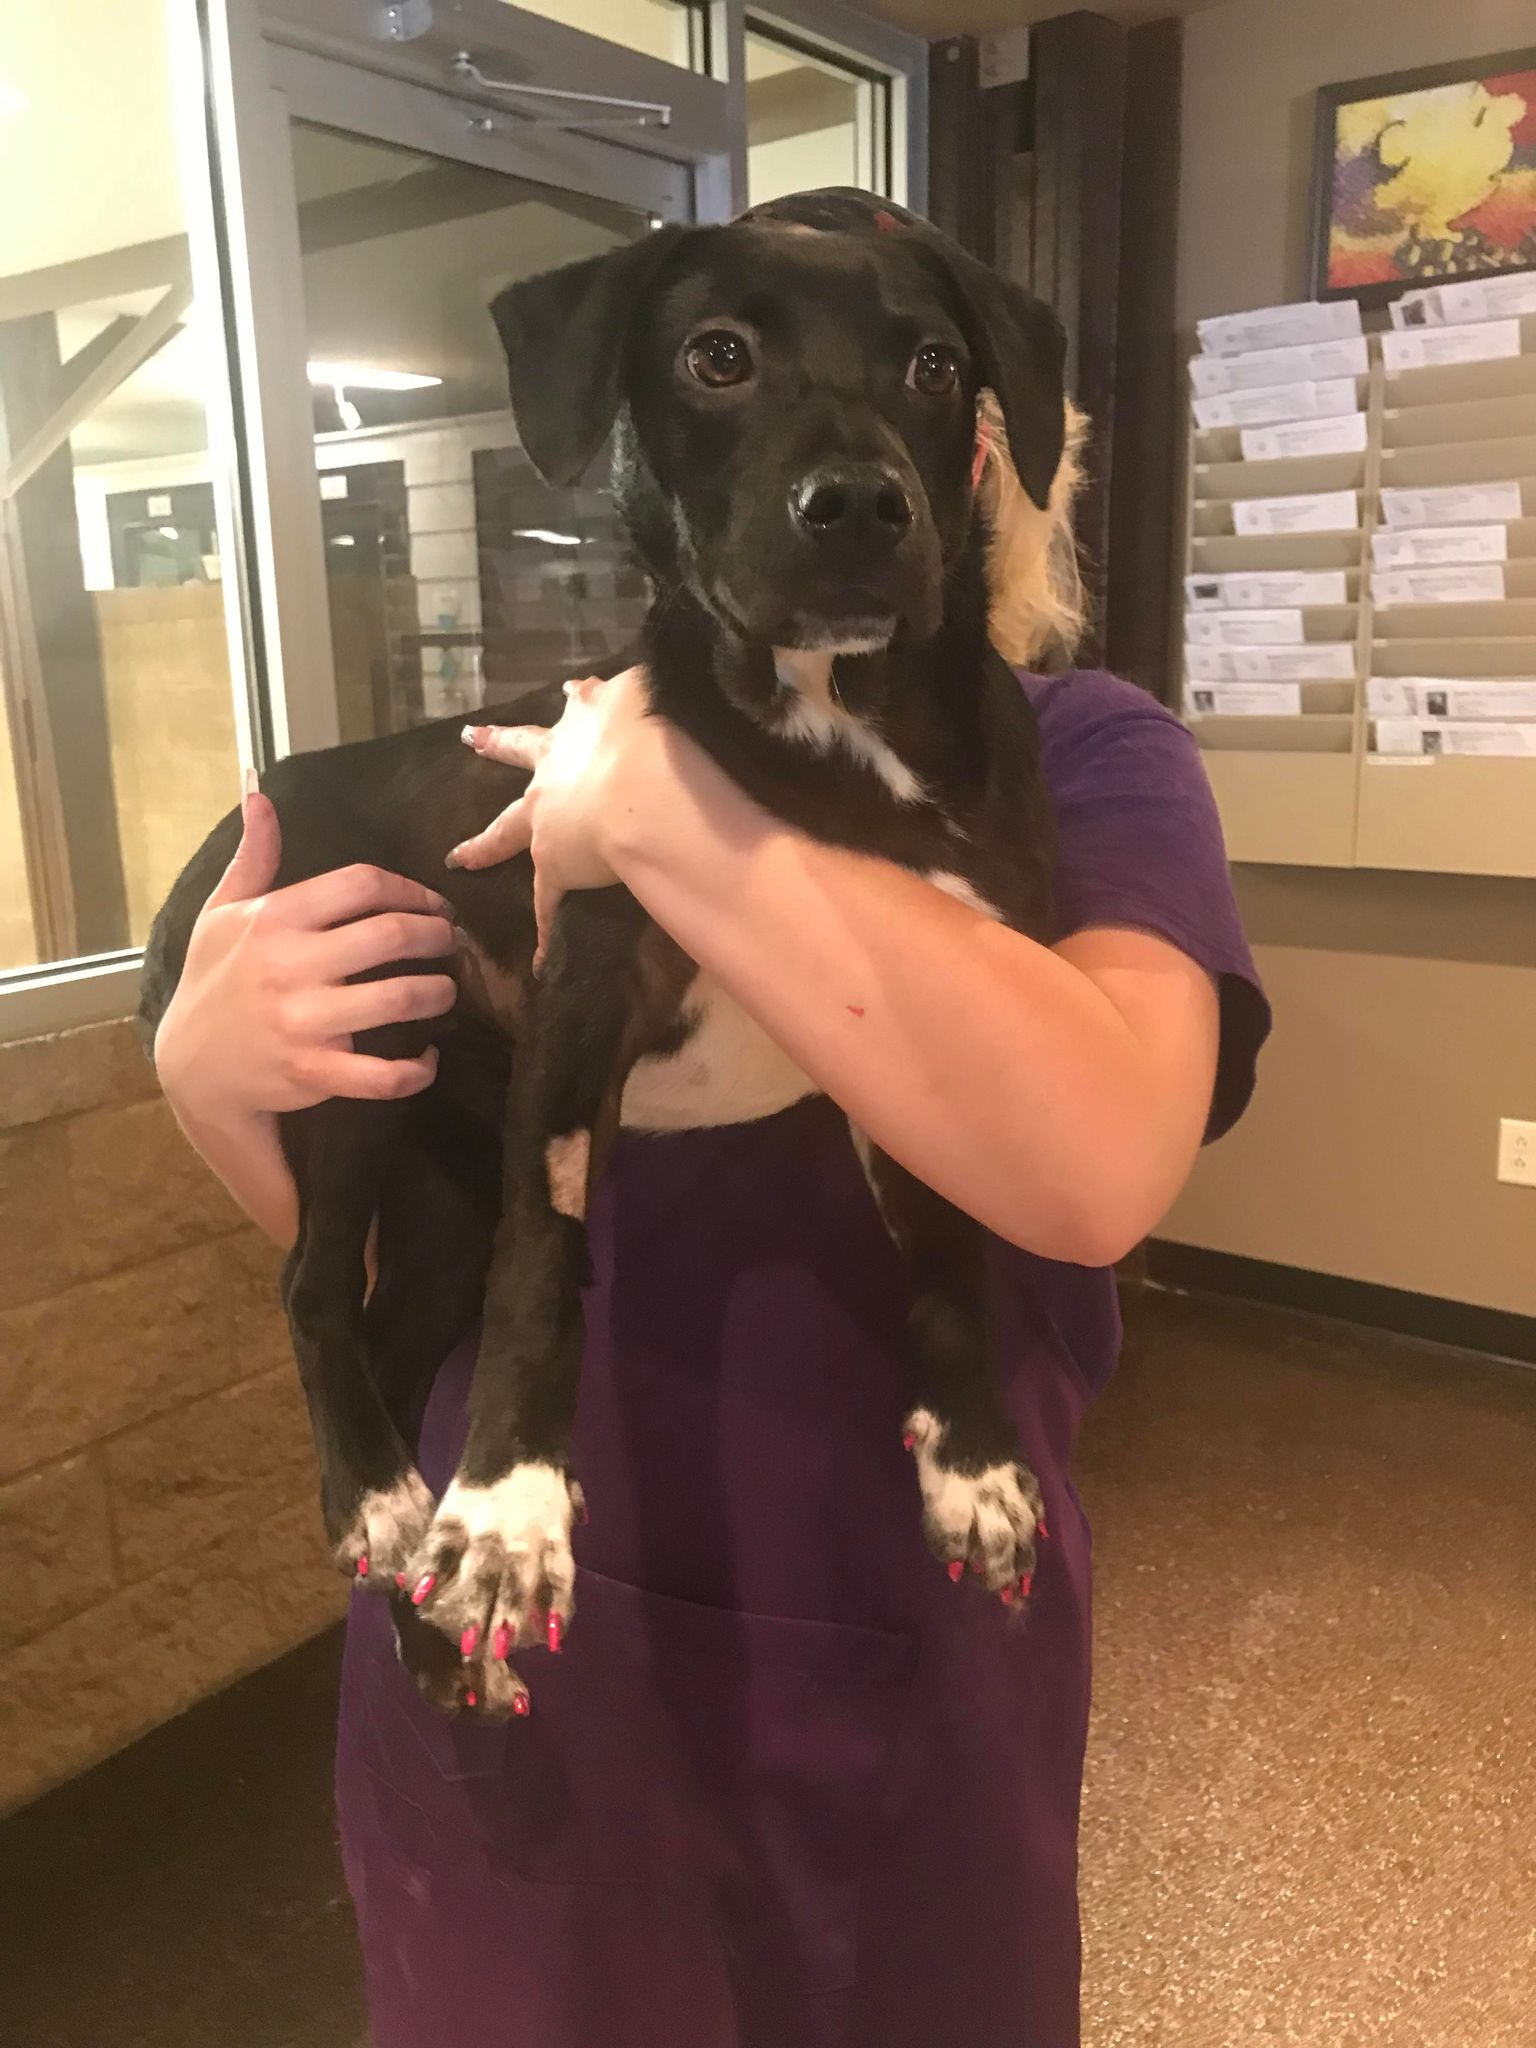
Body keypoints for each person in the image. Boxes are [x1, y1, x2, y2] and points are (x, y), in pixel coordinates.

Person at [152, 202, 1269, 2048]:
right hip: (508, 1654)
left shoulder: (1086, 757)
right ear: (641, 447)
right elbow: (392, 1230)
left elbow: (1092, 1167)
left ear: (973, 449)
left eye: (917, 372)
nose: (844, 453)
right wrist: (217, 1084)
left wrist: (659, 805)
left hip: (885, 1652)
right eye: (728, 367)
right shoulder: (553, 751)